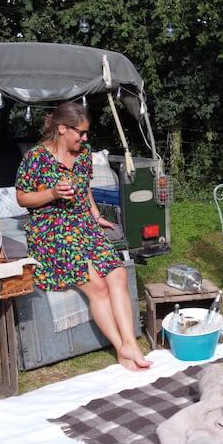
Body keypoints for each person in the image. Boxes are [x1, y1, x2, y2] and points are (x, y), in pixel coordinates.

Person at [15, 101, 151, 371]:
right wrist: (52, 193)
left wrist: (95, 213)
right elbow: (22, 198)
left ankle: (131, 343)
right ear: (62, 128)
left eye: (87, 133)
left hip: (82, 224)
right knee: (98, 287)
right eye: (81, 133)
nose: (85, 138)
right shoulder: (36, 158)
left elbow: (84, 186)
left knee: (118, 274)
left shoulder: (84, 153)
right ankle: (120, 347)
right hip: (51, 229)